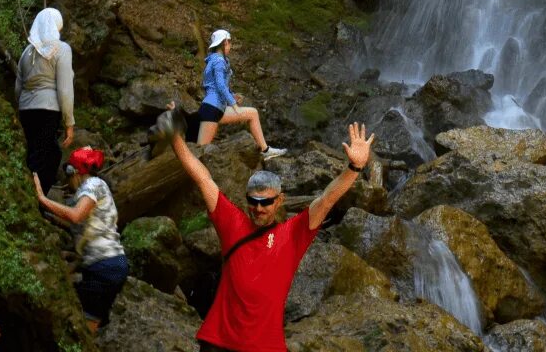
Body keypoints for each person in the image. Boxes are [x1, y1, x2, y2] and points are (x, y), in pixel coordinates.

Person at [159, 111, 372, 352]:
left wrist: (355, 167)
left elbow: (325, 200)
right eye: (253, 201)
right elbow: (203, 178)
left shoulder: (293, 234)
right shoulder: (232, 222)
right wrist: (175, 138)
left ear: (280, 200)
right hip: (218, 342)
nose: (258, 208)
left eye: (266, 202)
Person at [32, 147, 128, 330]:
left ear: (73, 172)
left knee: (83, 324)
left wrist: (42, 199)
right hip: (110, 264)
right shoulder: (94, 188)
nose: (67, 183)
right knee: (88, 318)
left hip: (104, 266)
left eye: (67, 176)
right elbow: (90, 231)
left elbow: (76, 216)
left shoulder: (93, 185)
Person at [197, 28, 285, 160]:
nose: (230, 46)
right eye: (229, 42)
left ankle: (265, 150)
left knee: (252, 113)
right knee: (200, 153)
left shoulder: (216, 60)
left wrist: (232, 96)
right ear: (224, 42)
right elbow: (220, 86)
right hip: (211, 109)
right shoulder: (219, 61)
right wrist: (234, 105)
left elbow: (218, 86)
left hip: (216, 108)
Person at [15, 7, 75, 188]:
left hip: (26, 110)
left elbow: (18, 86)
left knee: (35, 152)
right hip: (48, 110)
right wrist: (69, 122)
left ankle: (31, 195)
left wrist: (18, 110)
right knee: (47, 158)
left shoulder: (27, 52)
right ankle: (37, 201)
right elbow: (65, 89)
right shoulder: (62, 49)